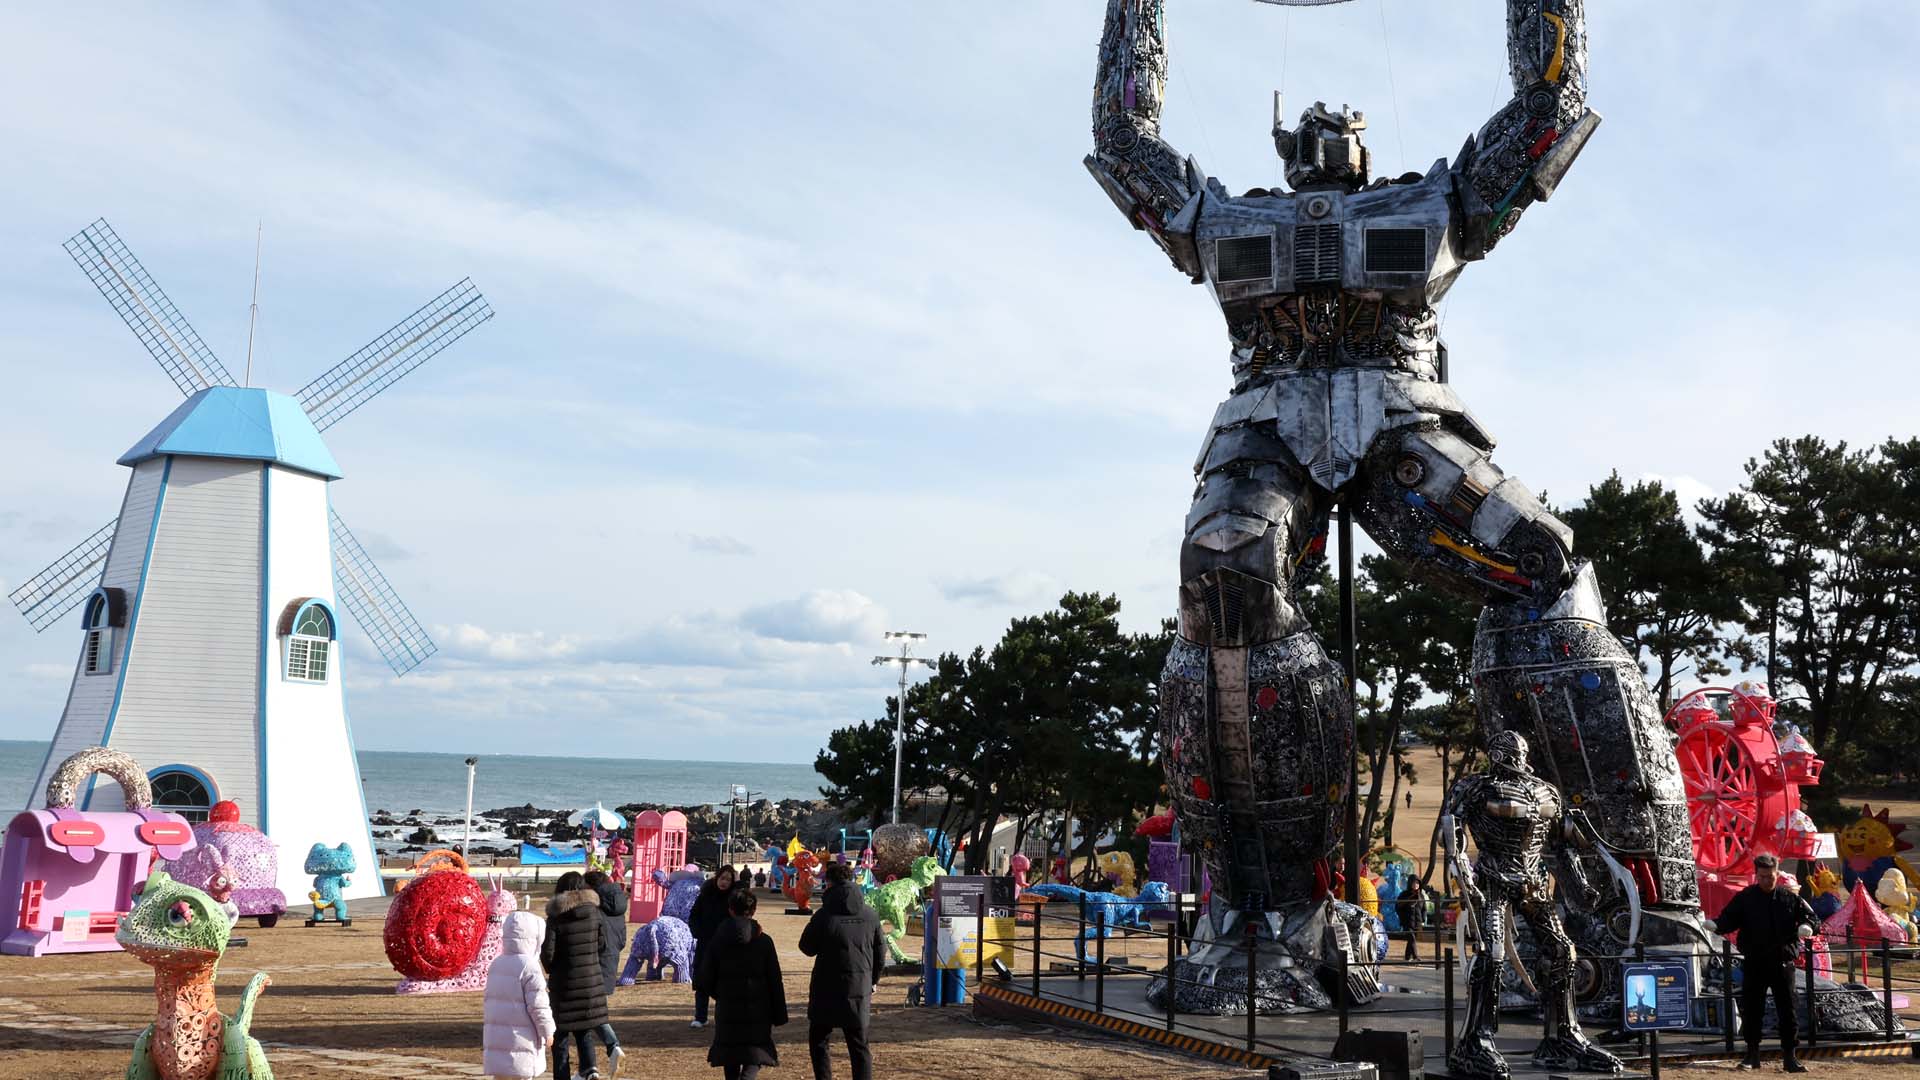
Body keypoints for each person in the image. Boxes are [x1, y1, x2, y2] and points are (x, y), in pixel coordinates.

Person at [1708, 853, 1818, 1072]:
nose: (1768, 880)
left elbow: (1812, 917)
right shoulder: (1746, 897)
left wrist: (1808, 926)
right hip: (1755, 962)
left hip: (1782, 963)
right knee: (1752, 1009)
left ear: (1777, 874)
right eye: (1764, 876)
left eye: (1772, 876)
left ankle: (1790, 1057)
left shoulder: (1789, 898)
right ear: (1756, 875)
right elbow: (1730, 918)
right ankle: (1752, 1055)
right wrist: (1716, 925)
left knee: (1788, 1011)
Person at [798, 862, 888, 1080]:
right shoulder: (870, 914)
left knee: (819, 1040)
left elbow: (806, 947)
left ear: (829, 883)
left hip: (826, 986)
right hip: (859, 986)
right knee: (859, 1045)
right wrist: (872, 980)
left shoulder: (824, 915)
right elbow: (881, 951)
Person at [697, 888, 789, 1080]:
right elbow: (775, 979)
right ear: (753, 910)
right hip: (759, 1008)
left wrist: (720, 993)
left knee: (730, 1054)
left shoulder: (718, 940)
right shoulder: (764, 942)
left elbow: (706, 976)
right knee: (754, 1055)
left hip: (728, 1007)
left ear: (730, 910)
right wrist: (779, 1012)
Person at [542, 871, 609, 1080]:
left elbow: (548, 952)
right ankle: (590, 1070)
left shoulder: (555, 916)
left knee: (560, 1033)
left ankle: (562, 1075)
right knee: (584, 1028)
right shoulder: (594, 912)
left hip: (563, 982)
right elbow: (602, 945)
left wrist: (552, 969)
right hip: (590, 980)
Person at [483, 910, 555, 1080]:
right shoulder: (529, 966)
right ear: (535, 938)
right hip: (522, 1040)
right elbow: (538, 1004)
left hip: (496, 1039)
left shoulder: (496, 963)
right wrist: (548, 1030)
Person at [688, 865, 746, 1028]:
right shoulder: (705, 894)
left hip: (725, 945)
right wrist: (697, 931)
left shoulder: (734, 898)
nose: (724, 882)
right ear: (716, 878)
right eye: (722, 878)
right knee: (701, 980)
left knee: (724, 982)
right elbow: (694, 915)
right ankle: (700, 1016)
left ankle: (726, 1016)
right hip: (705, 943)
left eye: (728, 879)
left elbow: (744, 911)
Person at [584, 868, 629, 1076]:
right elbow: (621, 940)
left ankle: (612, 1045)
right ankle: (588, 1068)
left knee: (588, 1012)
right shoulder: (619, 908)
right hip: (610, 963)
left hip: (593, 963)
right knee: (591, 1010)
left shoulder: (595, 907)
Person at [1398, 876, 1425, 961]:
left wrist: (1423, 919)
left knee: (1411, 940)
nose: (1415, 885)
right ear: (1410, 884)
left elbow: (1424, 908)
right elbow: (1398, 907)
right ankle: (1415, 956)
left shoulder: (1421, 895)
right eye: (1413, 883)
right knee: (1411, 937)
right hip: (1407, 921)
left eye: (1417, 883)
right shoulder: (1404, 894)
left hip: (1417, 921)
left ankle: (1407, 956)